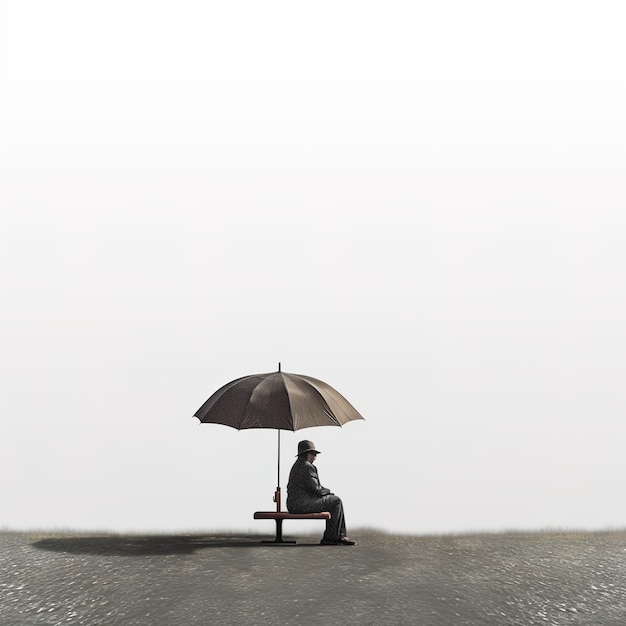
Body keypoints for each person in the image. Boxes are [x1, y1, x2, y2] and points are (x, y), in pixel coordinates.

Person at [286, 440, 356, 546]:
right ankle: (332, 537)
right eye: (313, 454)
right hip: (301, 504)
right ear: (307, 454)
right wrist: (328, 492)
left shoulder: (297, 465)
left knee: (334, 501)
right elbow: (317, 489)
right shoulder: (306, 466)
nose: (315, 457)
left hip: (295, 504)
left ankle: (338, 535)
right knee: (336, 501)